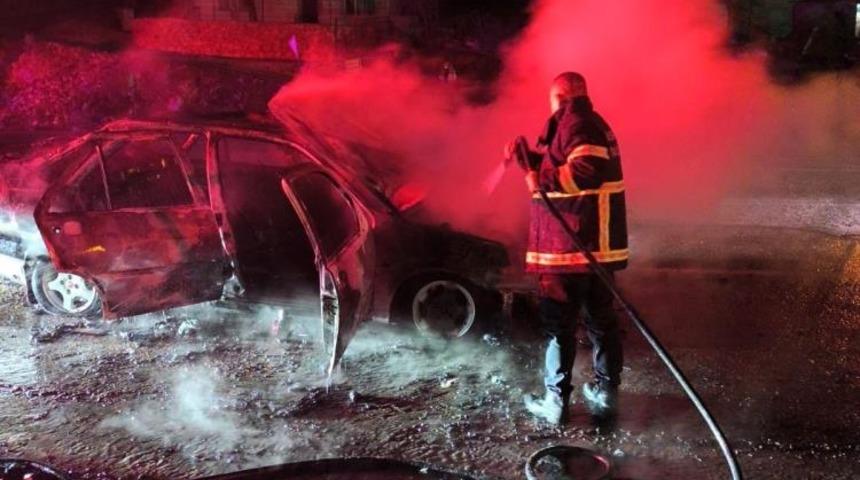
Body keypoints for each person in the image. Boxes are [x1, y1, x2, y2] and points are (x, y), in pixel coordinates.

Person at [507, 72, 628, 426]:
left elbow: (586, 170)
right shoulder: (585, 124)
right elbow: (565, 162)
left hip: (570, 249)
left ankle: (555, 403)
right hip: (591, 251)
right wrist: (527, 158)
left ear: (559, 95)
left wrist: (539, 179)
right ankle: (605, 394)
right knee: (600, 323)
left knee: (559, 327)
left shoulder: (577, 123)